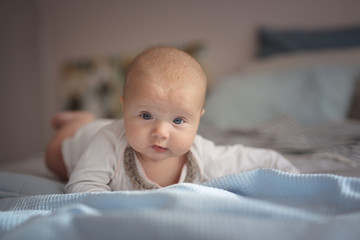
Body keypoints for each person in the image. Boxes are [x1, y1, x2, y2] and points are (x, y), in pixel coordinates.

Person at [45, 46, 298, 193]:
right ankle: (78, 121)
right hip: (80, 140)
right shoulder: (108, 143)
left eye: (178, 121)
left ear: (199, 119)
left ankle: (88, 118)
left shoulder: (201, 155)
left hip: (103, 127)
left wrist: (292, 176)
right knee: (54, 159)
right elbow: (83, 187)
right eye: (146, 116)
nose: (161, 132)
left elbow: (250, 160)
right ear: (124, 108)